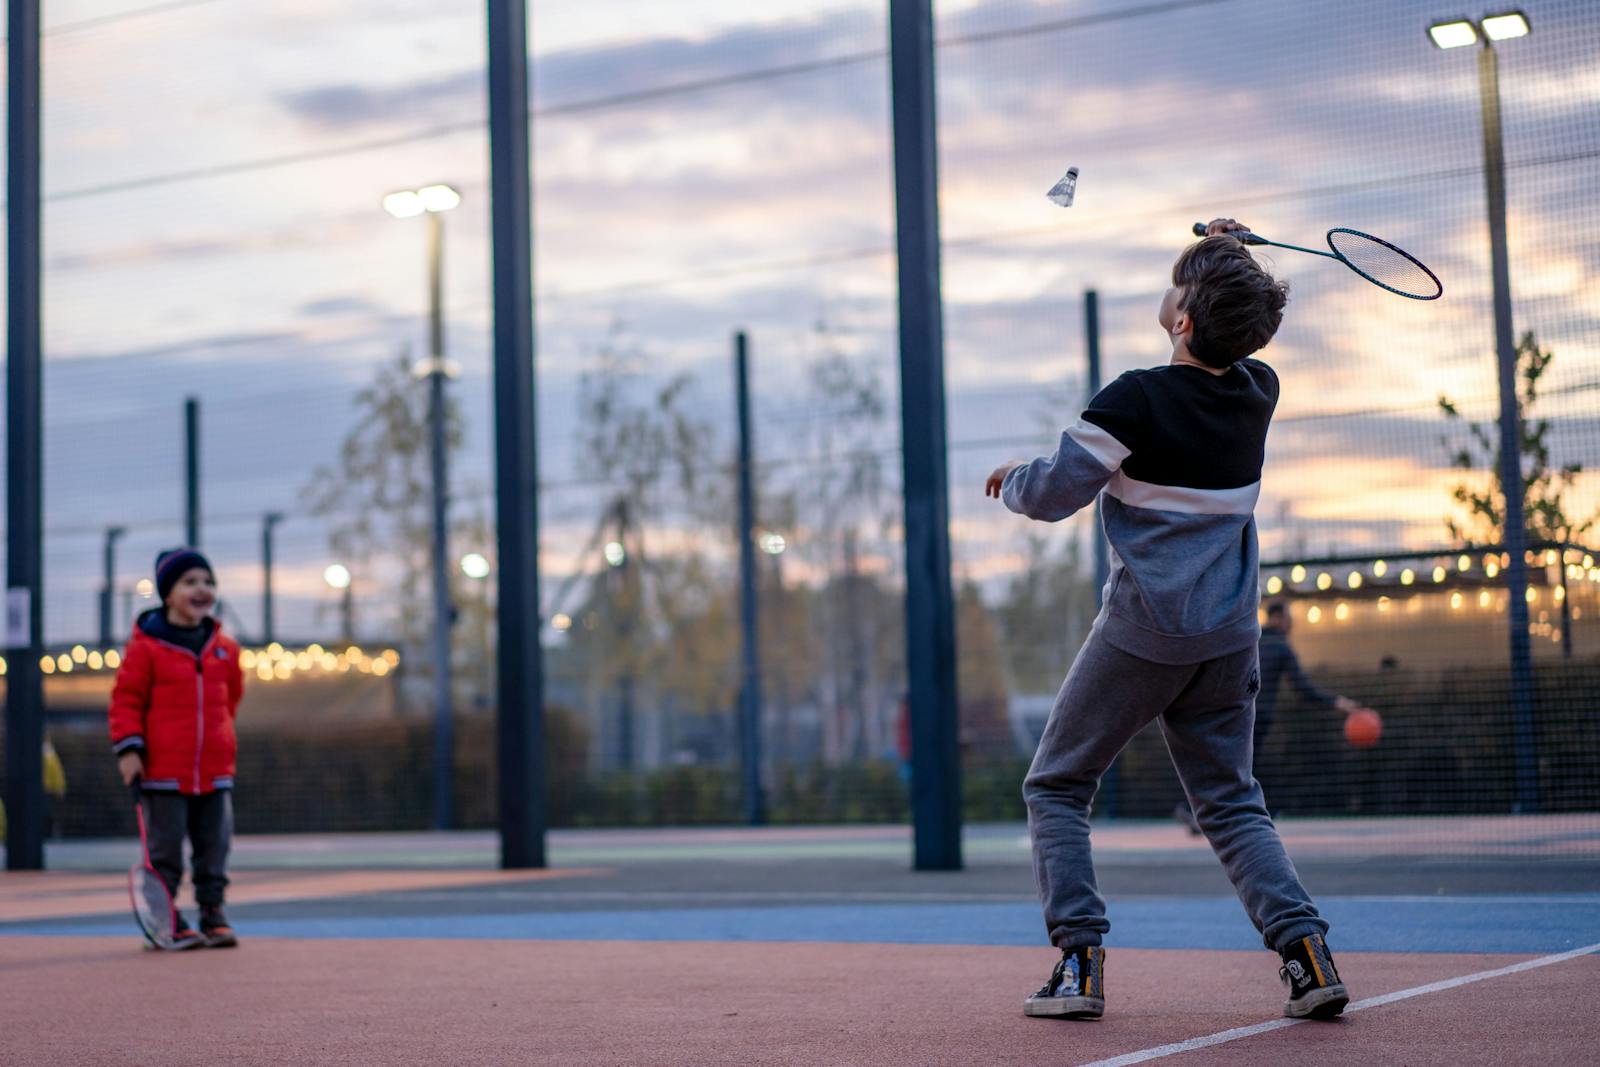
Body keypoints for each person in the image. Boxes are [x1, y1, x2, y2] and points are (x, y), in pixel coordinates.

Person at [985, 220, 1347, 1022]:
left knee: (1055, 784)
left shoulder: (1135, 400)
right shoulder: (1259, 391)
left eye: (1179, 284)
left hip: (1145, 635)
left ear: (1182, 318)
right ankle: (1307, 955)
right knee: (1230, 800)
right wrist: (1234, 257)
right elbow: (1242, 328)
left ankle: (1079, 965)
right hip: (1229, 641)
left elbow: (1051, 495)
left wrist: (1012, 480)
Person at [108, 548, 244, 950]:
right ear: (168, 594)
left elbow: (231, 699)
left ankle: (213, 913)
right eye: (190, 582)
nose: (202, 589)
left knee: (214, 848)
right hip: (163, 772)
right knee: (165, 851)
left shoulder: (226, 649)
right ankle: (166, 920)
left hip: (215, 771)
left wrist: (219, 738)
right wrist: (130, 751)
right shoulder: (145, 648)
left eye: (207, 582)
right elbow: (125, 702)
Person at [1173, 600, 1362, 831]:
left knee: (1229, 764)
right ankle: (1224, 816)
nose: (1291, 622)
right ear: (1280, 618)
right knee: (1241, 768)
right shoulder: (1280, 646)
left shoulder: (1251, 638)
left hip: (1232, 710)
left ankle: (1204, 812)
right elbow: (1302, 687)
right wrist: (1337, 702)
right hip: (1258, 716)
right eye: (1289, 617)